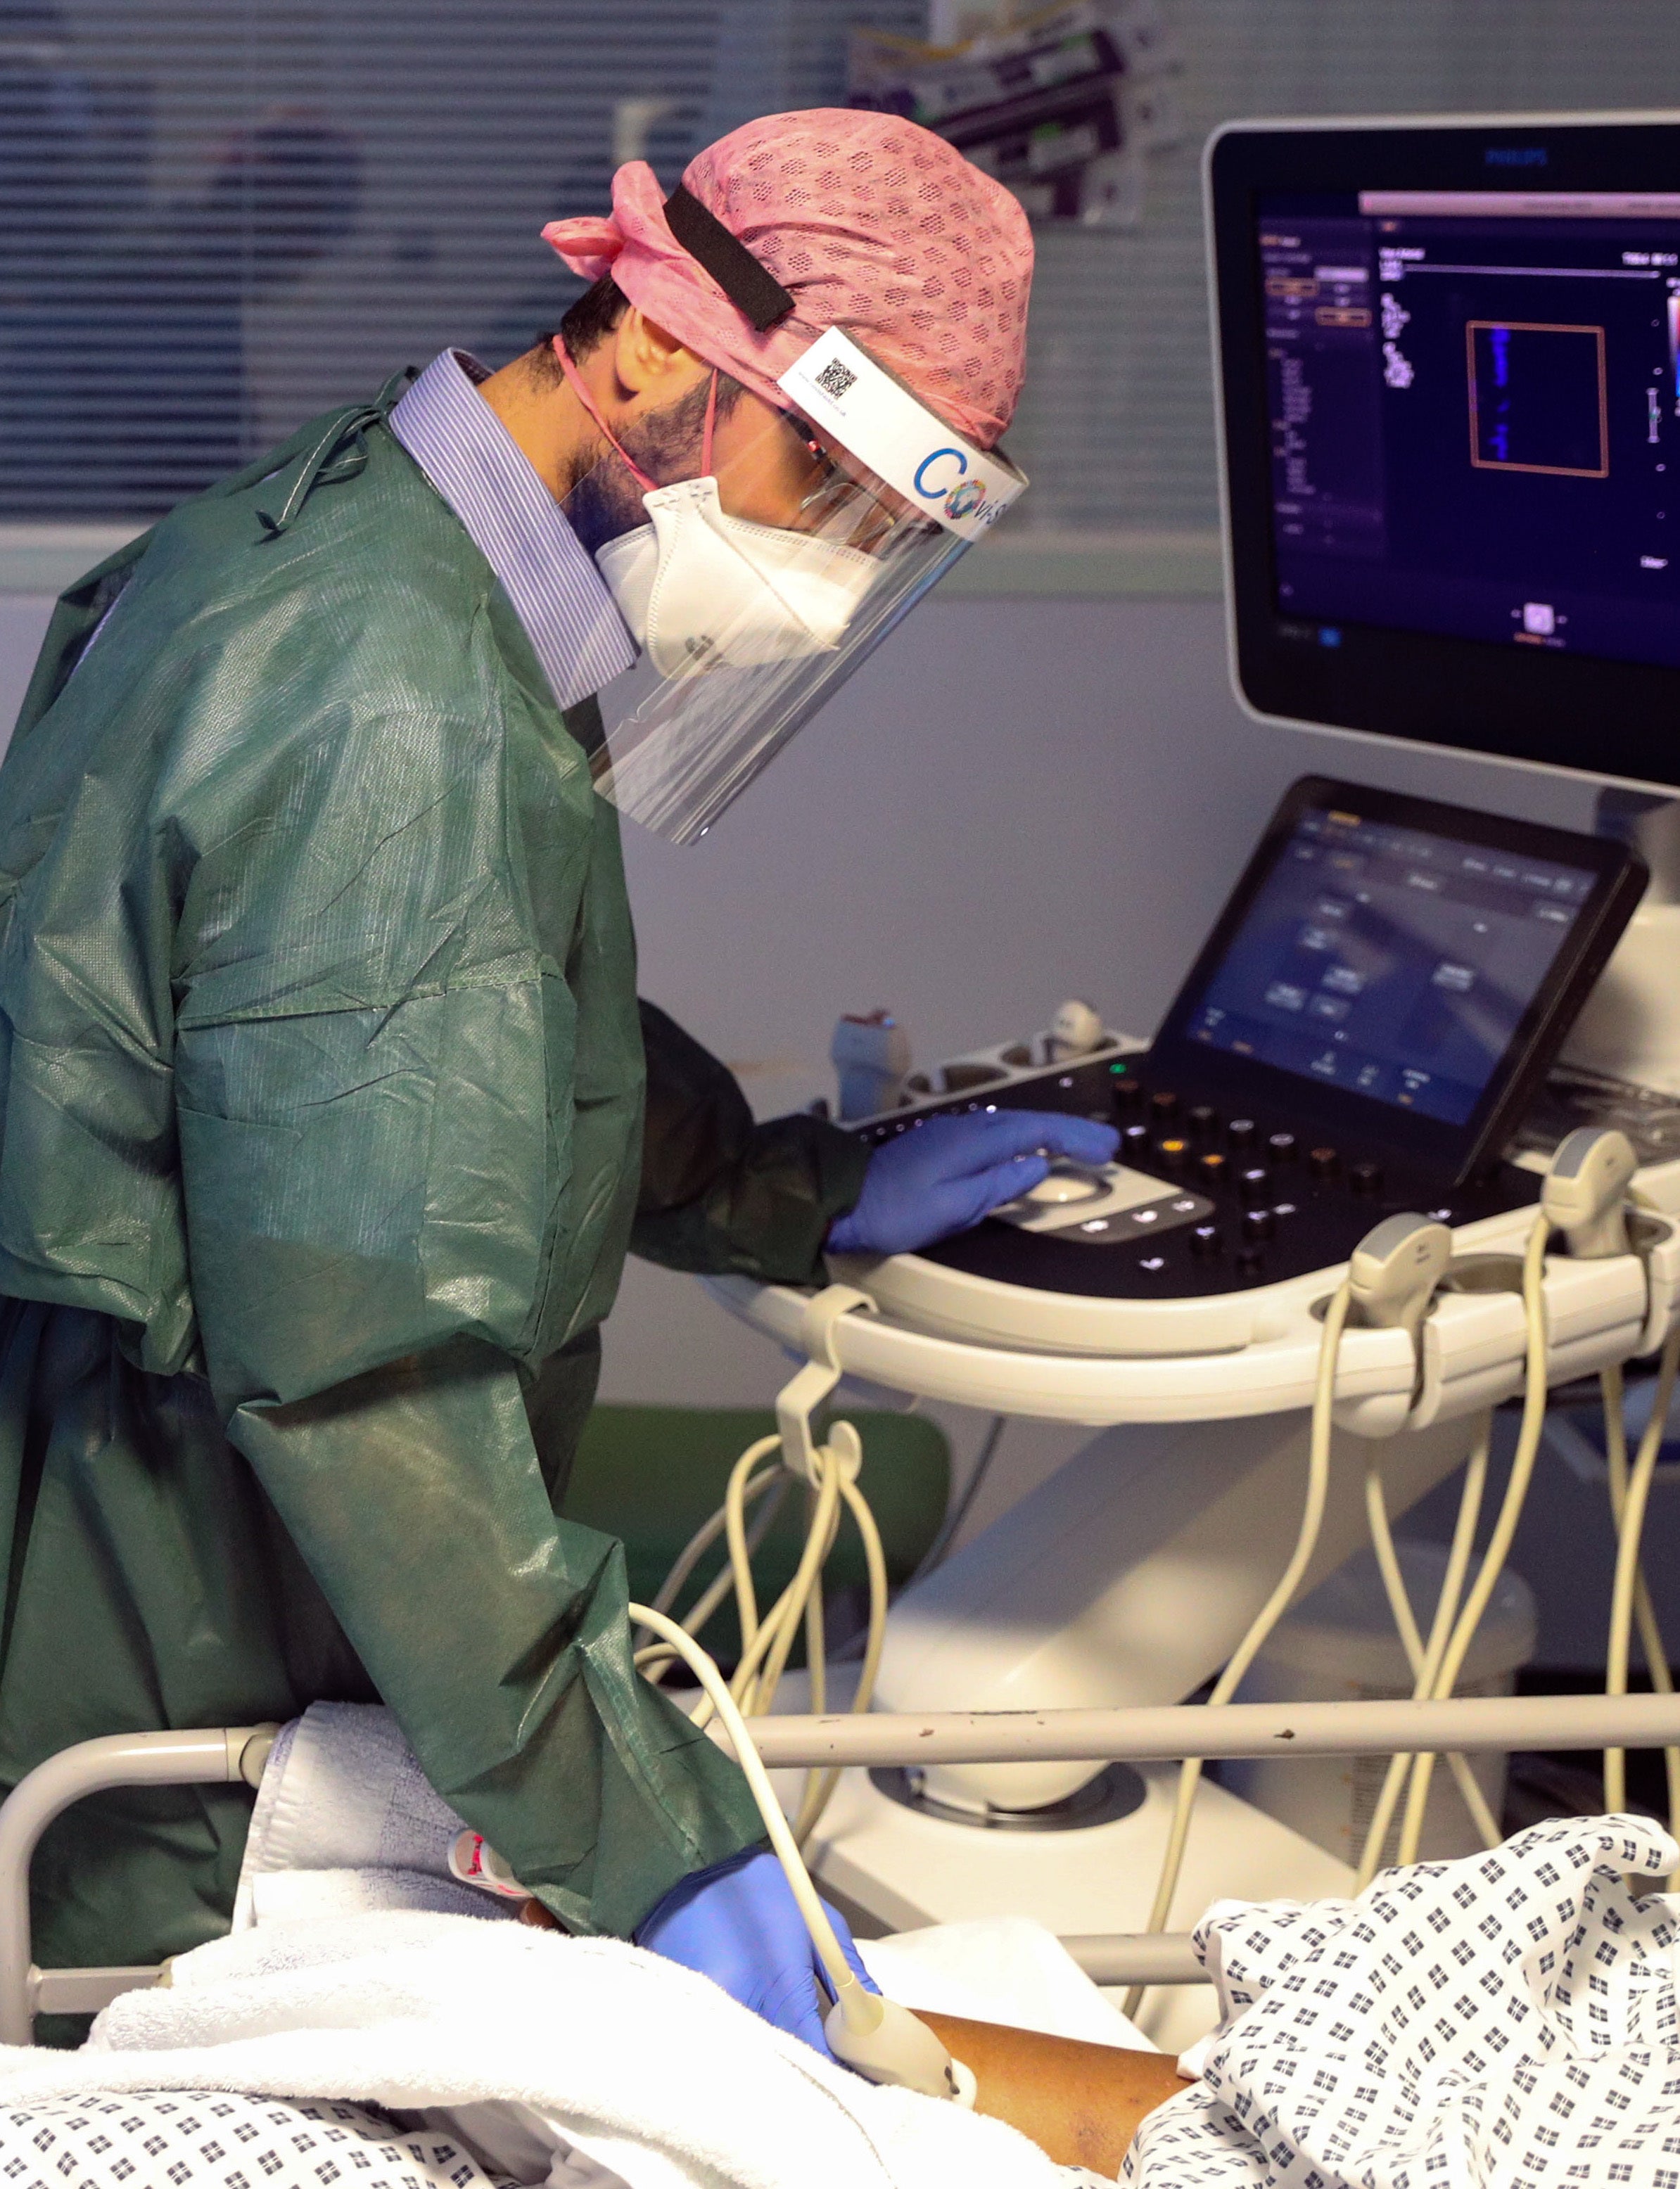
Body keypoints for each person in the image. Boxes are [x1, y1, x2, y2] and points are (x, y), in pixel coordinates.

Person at [0, 106, 1116, 2048]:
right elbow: (373, 1387)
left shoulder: (356, 521)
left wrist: (788, 1188)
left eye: (881, 530)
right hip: (189, 1613)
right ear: (662, 348)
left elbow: (461, 1022)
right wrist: (659, 1850)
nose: (827, 577)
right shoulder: (390, 704)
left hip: (161, 1494)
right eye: (822, 484)